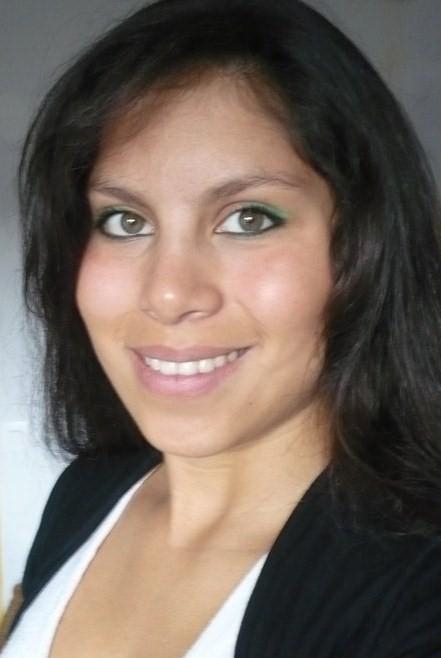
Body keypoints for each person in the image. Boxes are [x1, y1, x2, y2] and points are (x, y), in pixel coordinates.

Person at [2, 0, 441, 655]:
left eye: (247, 219)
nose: (169, 294)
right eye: (125, 221)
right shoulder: (90, 491)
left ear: (364, 245)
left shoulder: (415, 594)